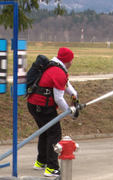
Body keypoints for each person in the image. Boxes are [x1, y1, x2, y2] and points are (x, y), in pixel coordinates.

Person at [27, 47, 79, 177]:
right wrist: (70, 111)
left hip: (33, 104)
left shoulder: (55, 66)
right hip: (43, 107)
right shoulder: (58, 72)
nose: (72, 62)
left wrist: (74, 95)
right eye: (71, 60)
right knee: (54, 134)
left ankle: (41, 161)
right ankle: (51, 168)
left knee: (45, 132)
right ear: (67, 60)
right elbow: (58, 98)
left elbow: (67, 85)